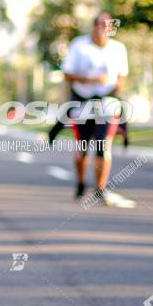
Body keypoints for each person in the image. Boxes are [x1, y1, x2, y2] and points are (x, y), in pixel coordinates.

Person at [59, 12, 129, 205]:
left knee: (103, 146)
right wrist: (90, 80)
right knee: (82, 147)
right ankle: (81, 182)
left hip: (107, 105)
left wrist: (116, 88)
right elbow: (68, 74)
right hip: (82, 103)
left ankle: (100, 188)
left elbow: (122, 75)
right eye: (99, 24)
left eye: (107, 25)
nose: (102, 28)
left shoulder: (118, 49)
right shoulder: (79, 45)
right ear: (93, 26)